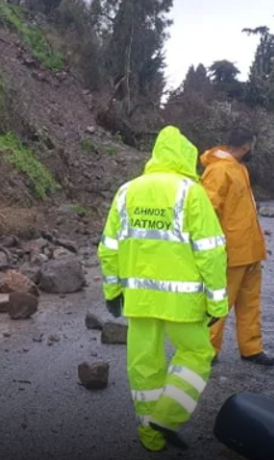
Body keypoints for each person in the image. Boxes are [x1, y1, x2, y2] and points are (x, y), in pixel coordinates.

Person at [98, 125, 229, 452]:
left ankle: (151, 436)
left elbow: (109, 248)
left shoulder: (126, 192)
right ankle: (167, 417)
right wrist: (217, 303)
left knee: (144, 363)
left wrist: (112, 292)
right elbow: (211, 252)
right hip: (183, 302)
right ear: (185, 156)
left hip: (139, 299)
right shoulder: (191, 192)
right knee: (197, 353)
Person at [200, 127, 274, 367]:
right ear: (246, 146)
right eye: (252, 145)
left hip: (249, 250)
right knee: (219, 303)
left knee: (250, 303)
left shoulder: (238, 168)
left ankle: (251, 348)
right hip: (231, 252)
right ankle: (206, 350)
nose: (253, 149)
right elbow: (207, 212)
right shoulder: (219, 170)